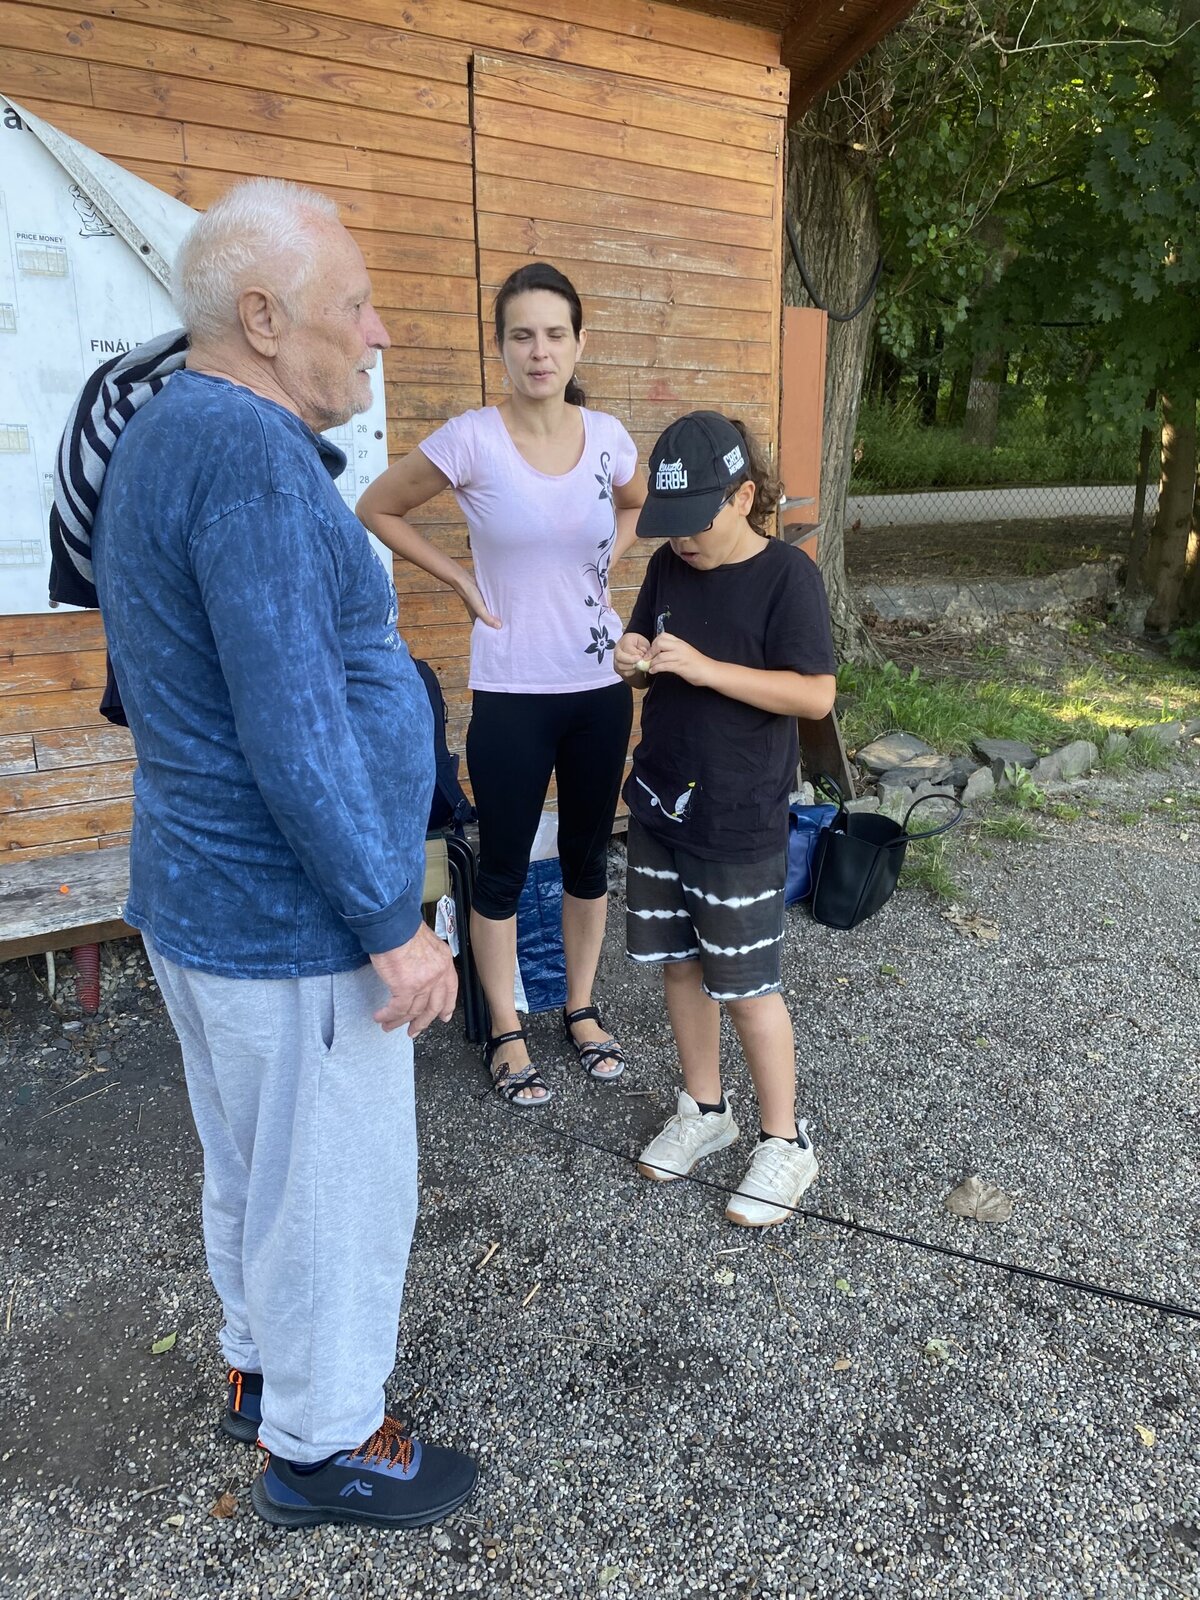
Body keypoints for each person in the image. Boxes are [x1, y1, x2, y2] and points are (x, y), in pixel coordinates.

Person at [88, 177, 477, 1529]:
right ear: (262, 318)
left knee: (256, 1161)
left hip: (205, 898)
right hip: (288, 920)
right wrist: (390, 924)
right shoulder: (249, 460)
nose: (378, 334)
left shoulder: (165, 429)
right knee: (333, 1190)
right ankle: (327, 1445)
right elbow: (292, 726)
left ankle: (264, 1373)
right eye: (354, 306)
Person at [357, 263, 646, 1108]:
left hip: (598, 686)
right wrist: (458, 578)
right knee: (505, 868)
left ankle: (582, 1009)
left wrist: (608, 563)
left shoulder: (609, 437)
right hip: (512, 691)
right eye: (522, 335)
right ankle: (507, 1028)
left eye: (555, 334)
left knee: (589, 859)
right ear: (501, 347)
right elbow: (378, 506)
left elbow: (637, 506)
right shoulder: (472, 440)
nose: (539, 351)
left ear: (580, 342)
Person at [613, 411, 838, 1228]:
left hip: (739, 816)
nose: (681, 541)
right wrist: (633, 661)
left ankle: (785, 1140)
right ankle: (706, 1110)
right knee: (678, 965)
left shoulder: (787, 577)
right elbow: (643, 648)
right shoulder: (670, 566)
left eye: (694, 523)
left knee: (745, 985)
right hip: (660, 802)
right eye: (668, 525)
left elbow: (815, 695)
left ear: (743, 497)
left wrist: (709, 671)